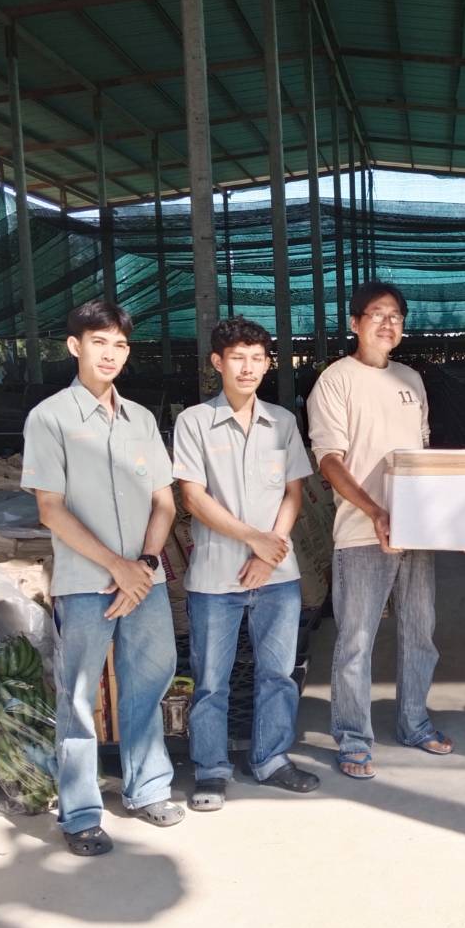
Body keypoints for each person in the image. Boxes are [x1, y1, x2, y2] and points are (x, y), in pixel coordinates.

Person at [21, 299, 184, 857]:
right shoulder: (50, 418)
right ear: (75, 346)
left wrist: (144, 565)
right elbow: (50, 509)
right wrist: (117, 567)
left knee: (148, 682)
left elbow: (165, 502)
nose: (110, 354)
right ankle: (81, 812)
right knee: (79, 696)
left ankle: (148, 787)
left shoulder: (141, 420)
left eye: (119, 344)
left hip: (145, 582)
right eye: (99, 342)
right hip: (85, 582)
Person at [172, 316, 321, 812]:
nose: (248, 367)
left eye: (258, 358)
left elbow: (294, 492)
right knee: (211, 681)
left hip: (277, 574)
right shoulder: (194, 422)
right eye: (238, 357)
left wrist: (269, 548)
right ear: (217, 362)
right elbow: (193, 497)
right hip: (216, 576)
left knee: (278, 674)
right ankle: (210, 770)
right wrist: (254, 540)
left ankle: (271, 759)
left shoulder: (282, 422)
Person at [306, 283, 453, 779]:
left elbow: (422, 458)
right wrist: (375, 511)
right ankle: (352, 738)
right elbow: (329, 461)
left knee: (420, 632)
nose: (387, 323)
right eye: (376, 314)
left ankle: (414, 722)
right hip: (362, 531)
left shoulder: (411, 379)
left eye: (395, 316)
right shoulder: (335, 380)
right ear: (355, 323)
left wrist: (448, 521)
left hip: (415, 531)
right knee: (356, 640)